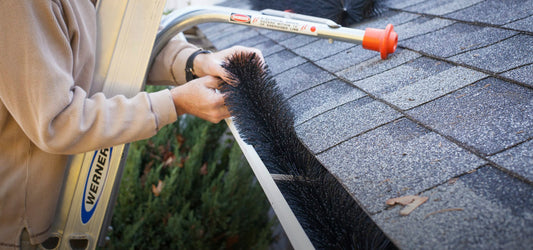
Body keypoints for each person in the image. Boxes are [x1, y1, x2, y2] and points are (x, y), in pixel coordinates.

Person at [0, 0, 262, 248]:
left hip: (63, 214)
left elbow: (125, 42)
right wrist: (176, 103)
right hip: (20, 230)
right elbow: (57, 121)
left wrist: (197, 62)